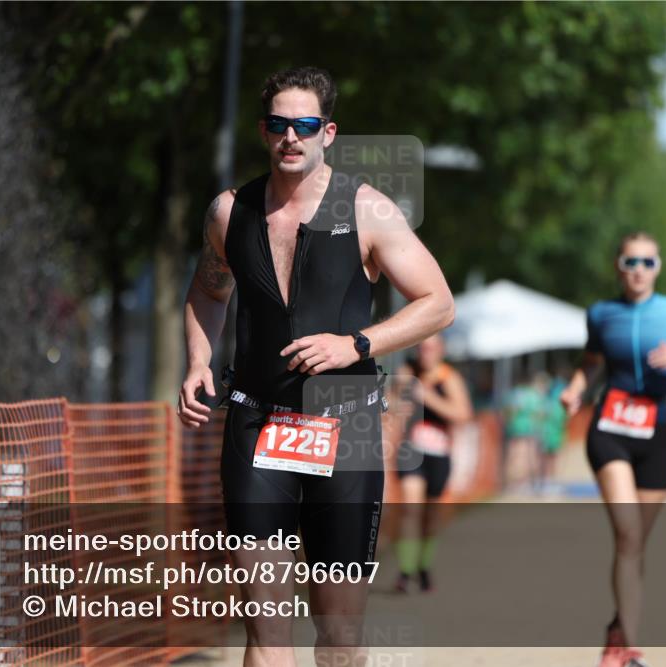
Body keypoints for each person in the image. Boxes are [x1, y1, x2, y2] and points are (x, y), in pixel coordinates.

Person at [179, 66, 454, 667]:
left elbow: (439, 303)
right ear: (263, 130)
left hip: (345, 428)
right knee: (267, 634)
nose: (290, 138)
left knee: (338, 637)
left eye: (304, 125)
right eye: (278, 125)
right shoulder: (231, 212)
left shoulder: (368, 210)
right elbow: (208, 291)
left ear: (327, 132)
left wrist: (355, 344)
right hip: (255, 426)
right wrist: (200, 359)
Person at [559, 231, 666, 667]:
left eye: (647, 262)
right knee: (627, 534)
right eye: (630, 262)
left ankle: (617, 632)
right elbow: (591, 365)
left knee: (636, 544)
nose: (639, 271)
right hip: (611, 427)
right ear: (618, 267)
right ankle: (628, 651)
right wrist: (574, 391)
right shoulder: (601, 313)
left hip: (660, 432)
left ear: (658, 267)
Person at [391, 334, 472, 593]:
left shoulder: (450, 378)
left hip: (438, 453)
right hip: (410, 450)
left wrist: (426, 395)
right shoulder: (406, 372)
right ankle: (405, 572)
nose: (425, 352)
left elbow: (462, 415)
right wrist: (397, 404)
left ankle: (423, 567)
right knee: (410, 509)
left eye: (430, 348)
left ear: (441, 350)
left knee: (431, 516)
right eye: (421, 347)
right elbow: (387, 403)